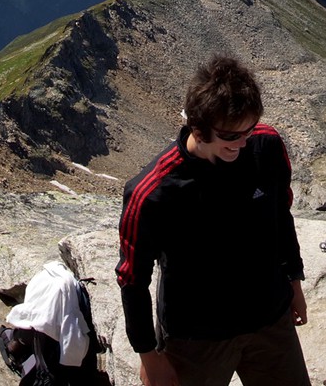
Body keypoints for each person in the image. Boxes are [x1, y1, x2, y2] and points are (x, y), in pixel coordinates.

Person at [116, 56, 309, 386]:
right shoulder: (153, 193)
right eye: (230, 136)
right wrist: (149, 356)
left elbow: (280, 216)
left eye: (248, 130)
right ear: (197, 127)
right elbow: (133, 281)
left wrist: (294, 280)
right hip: (195, 338)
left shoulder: (266, 145)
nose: (243, 142)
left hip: (269, 320)